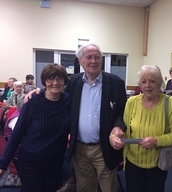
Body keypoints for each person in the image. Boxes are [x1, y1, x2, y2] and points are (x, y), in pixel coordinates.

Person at [110, 65, 172, 192]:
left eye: (152, 81)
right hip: (133, 163)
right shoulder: (132, 102)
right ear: (140, 84)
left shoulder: (170, 102)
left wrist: (156, 141)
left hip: (158, 163)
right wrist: (114, 136)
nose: (147, 85)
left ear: (159, 83)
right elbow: (125, 129)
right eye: (144, 81)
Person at [64, 44, 127, 192]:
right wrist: (38, 93)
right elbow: (59, 100)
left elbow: (122, 111)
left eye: (97, 57)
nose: (93, 61)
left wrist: (118, 126)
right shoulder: (73, 82)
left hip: (104, 147)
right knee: (84, 188)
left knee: (108, 188)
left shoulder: (116, 83)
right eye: (89, 57)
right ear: (80, 61)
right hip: (80, 149)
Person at [0, 63, 70, 192]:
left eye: (59, 79)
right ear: (44, 81)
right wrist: (3, 163)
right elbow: (17, 133)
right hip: (31, 162)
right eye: (50, 79)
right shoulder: (33, 101)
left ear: (64, 81)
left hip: (55, 162)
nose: (55, 82)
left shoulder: (68, 101)